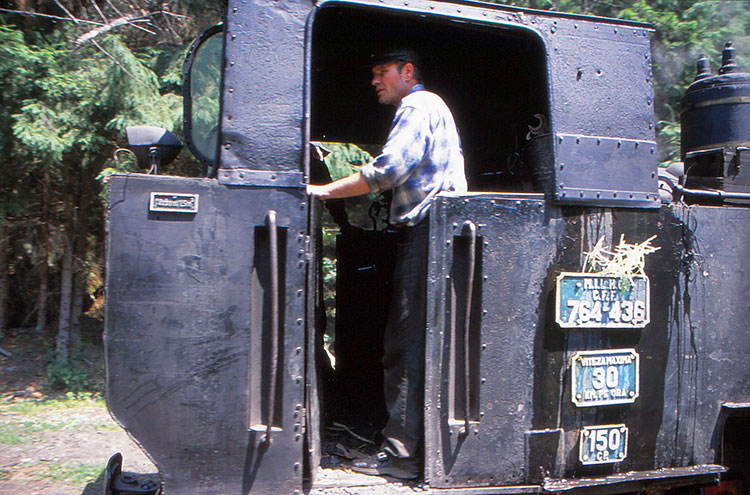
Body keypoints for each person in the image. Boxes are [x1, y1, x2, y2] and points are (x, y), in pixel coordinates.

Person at [307, 48, 467, 479]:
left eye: (382, 72)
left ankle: (401, 458)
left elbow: (388, 169)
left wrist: (322, 192)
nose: (375, 80)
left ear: (407, 72)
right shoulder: (431, 106)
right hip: (433, 233)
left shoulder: (417, 104)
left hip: (429, 232)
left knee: (405, 349)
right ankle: (408, 450)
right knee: (408, 345)